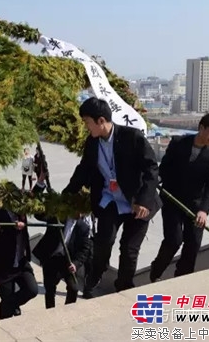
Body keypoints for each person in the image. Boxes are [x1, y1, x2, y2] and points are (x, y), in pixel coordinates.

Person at [65, 97, 160, 295]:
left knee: (129, 250)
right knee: (103, 243)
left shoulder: (131, 137)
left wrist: (144, 200)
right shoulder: (92, 142)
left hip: (137, 203)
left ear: (101, 121)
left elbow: (151, 168)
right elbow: (84, 169)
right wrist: (67, 194)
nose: (86, 127)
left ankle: (124, 287)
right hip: (110, 200)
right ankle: (94, 276)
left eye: (87, 122)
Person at [149, 113, 209, 281]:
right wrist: (154, 183)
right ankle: (156, 272)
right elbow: (164, 169)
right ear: (201, 127)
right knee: (174, 240)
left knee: (193, 245)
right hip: (172, 200)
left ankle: (182, 279)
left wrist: (204, 210)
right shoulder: (178, 143)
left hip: (196, 206)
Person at [0, 205, 38, 319]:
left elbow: (34, 201)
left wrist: (41, 186)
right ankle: (7, 317)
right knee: (7, 309)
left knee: (32, 289)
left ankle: (9, 305)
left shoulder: (21, 208)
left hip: (20, 262)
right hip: (3, 265)